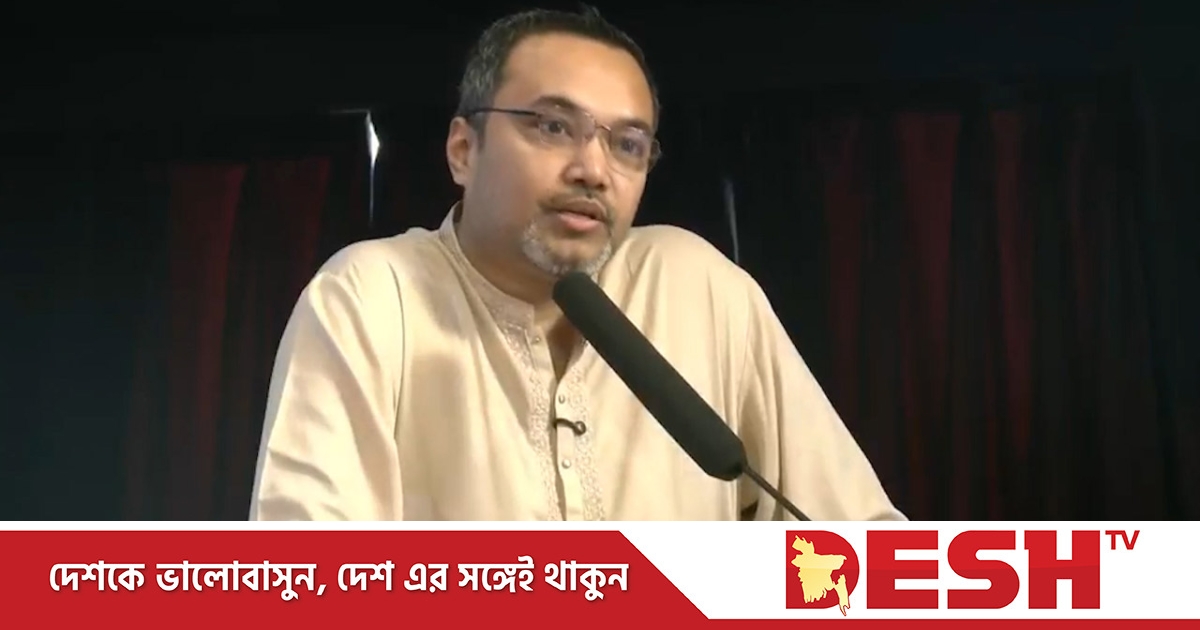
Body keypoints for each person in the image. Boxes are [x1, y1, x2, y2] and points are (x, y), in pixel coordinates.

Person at [248, 7, 905, 522]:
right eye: (553, 127)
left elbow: (865, 553)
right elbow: (303, 582)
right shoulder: (368, 297)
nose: (594, 169)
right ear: (463, 151)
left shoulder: (698, 286)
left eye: (628, 144)